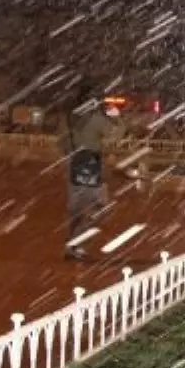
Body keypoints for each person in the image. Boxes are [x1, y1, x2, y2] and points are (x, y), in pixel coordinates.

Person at [61, 84, 125, 260]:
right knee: (99, 207)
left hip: (74, 162)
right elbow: (115, 137)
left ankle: (72, 244)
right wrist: (118, 119)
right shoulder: (96, 118)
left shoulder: (70, 117)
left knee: (76, 208)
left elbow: (63, 142)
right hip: (90, 163)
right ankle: (76, 244)